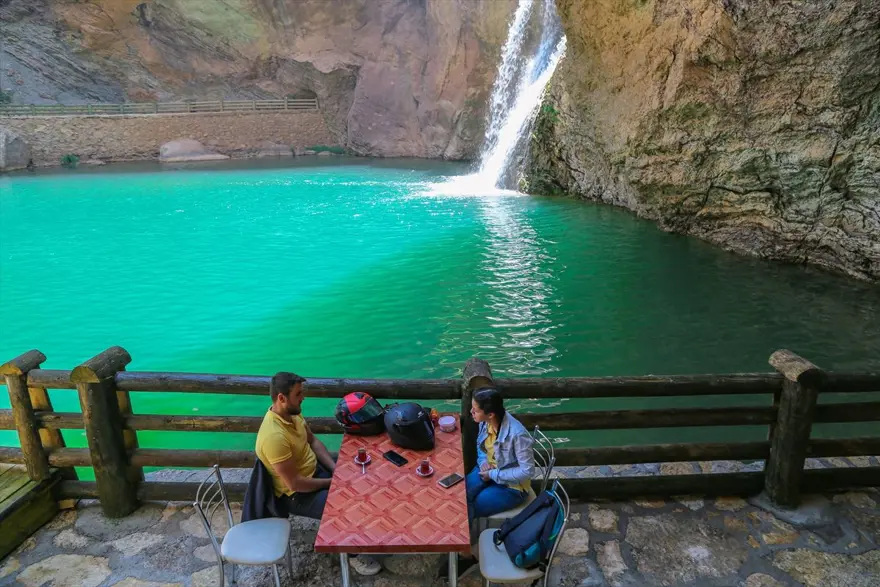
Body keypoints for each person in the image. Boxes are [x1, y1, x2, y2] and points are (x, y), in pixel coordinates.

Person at [255, 371, 381, 576]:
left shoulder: (293, 414)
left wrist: (335, 468)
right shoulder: (274, 437)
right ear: (281, 398)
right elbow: (294, 484)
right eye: (298, 394)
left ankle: (363, 530)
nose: (303, 397)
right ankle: (352, 555)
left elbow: (313, 441)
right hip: (295, 495)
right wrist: (332, 482)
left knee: (359, 471)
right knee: (344, 505)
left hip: (315, 472)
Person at [443, 386, 535, 578]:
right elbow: (481, 447)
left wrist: (493, 475)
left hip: (512, 487)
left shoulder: (517, 434)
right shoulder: (486, 423)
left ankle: (465, 553)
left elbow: (527, 471)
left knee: (470, 507)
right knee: (458, 497)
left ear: (490, 413)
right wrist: (483, 463)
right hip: (488, 471)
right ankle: (464, 544)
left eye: (475, 410)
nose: (471, 412)